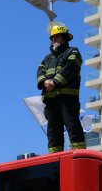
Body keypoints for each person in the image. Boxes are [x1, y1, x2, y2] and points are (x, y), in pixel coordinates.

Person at [36, 24, 85, 153]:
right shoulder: (47, 59)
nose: (53, 40)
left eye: (56, 37)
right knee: (53, 132)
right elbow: (40, 71)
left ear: (64, 38)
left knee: (73, 126)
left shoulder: (73, 52)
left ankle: (79, 154)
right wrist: (44, 82)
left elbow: (71, 68)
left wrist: (55, 82)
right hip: (51, 101)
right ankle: (55, 158)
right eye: (52, 38)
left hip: (68, 100)